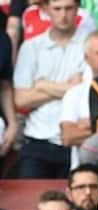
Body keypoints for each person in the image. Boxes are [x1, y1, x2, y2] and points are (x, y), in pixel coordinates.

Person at [13, 0, 88, 179]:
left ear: (78, 9)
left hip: (75, 140)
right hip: (37, 139)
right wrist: (70, 88)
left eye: (69, 8)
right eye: (57, 9)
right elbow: (20, 100)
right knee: (29, 202)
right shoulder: (31, 47)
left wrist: (42, 85)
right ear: (46, 9)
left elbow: (87, 92)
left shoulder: (90, 45)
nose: (63, 15)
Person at [60, 30, 98, 168]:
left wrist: (90, 125)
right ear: (87, 58)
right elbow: (68, 137)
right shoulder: (75, 93)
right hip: (84, 170)